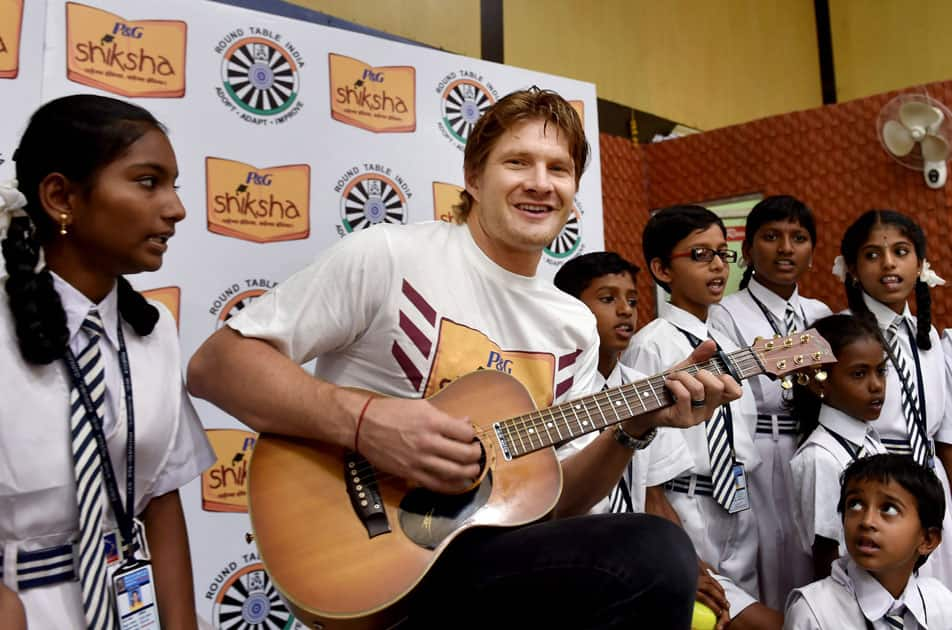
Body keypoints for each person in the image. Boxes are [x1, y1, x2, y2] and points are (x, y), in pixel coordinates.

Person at [187, 87, 742, 629]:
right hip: (371, 552)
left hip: (488, 564)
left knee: (653, 551)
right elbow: (217, 366)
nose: (540, 184)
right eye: (518, 162)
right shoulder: (390, 257)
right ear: (474, 177)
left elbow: (555, 501)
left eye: (559, 168)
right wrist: (366, 424)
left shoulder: (571, 325)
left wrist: (632, 427)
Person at [0, 95, 214, 629]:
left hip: (129, 608)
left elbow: (160, 501)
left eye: (174, 185)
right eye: (147, 181)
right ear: (60, 196)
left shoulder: (155, 331)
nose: (176, 208)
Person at [623, 205, 782, 629]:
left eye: (722, 254)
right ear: (661, 269)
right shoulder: (651, 346)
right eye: (699, 255)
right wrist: (677, 546)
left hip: (738, 503)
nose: (716, 265)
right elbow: (645, 467)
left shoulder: (730, 343)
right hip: (685, 505)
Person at [555, 250, 730, 629]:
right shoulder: (552, 389)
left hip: (637, 557)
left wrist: (691, 568)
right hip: (571, 559)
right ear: (566, 309)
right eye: (607, 299)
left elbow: (654, 496)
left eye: (632, 300)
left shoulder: (644, 387)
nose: (625, 310)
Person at [709, 195, 832, 607]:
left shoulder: (819, 313)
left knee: (815, 550)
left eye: (798, 237)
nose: (785, 248)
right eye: (771, 236)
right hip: (755, 450)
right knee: (765, 557)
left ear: (812, 252)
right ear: (747, 251)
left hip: (813, 445)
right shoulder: (725, 313)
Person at [838, 209, 952, 582]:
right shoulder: (844, 335)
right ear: (852, 269)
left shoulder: (929, 335)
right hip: (876, 484)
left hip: (932, 483)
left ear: (920, 264)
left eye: (901, 252)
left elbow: (943, 432)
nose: (888, 263)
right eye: (872, 255)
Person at [784, 454, 952, 629]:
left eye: (889, 509)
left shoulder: (941, 605)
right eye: (855, 505)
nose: (867, 521)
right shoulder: (814, 612)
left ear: (927, 540)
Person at [788, 314, 889, 579]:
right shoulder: (820, 457)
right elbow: (825, 556)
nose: (876, 385)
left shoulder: (869, 440)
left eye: (881, 371)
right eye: (859, 374)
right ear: (820, 381)